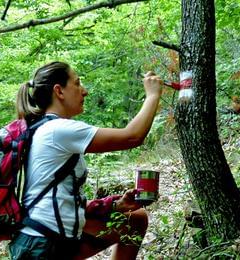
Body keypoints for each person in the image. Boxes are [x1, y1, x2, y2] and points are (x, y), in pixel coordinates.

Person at [9, 61, 163, 260]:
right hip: (42, 246)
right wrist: (152, 95)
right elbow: (132, 136)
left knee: (135, 220)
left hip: (48, 239)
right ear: (59, 91)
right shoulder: (58, 130)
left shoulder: (42, 130)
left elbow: (59, 200)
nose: (84, 91)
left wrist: (114, 206)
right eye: (77, 83)